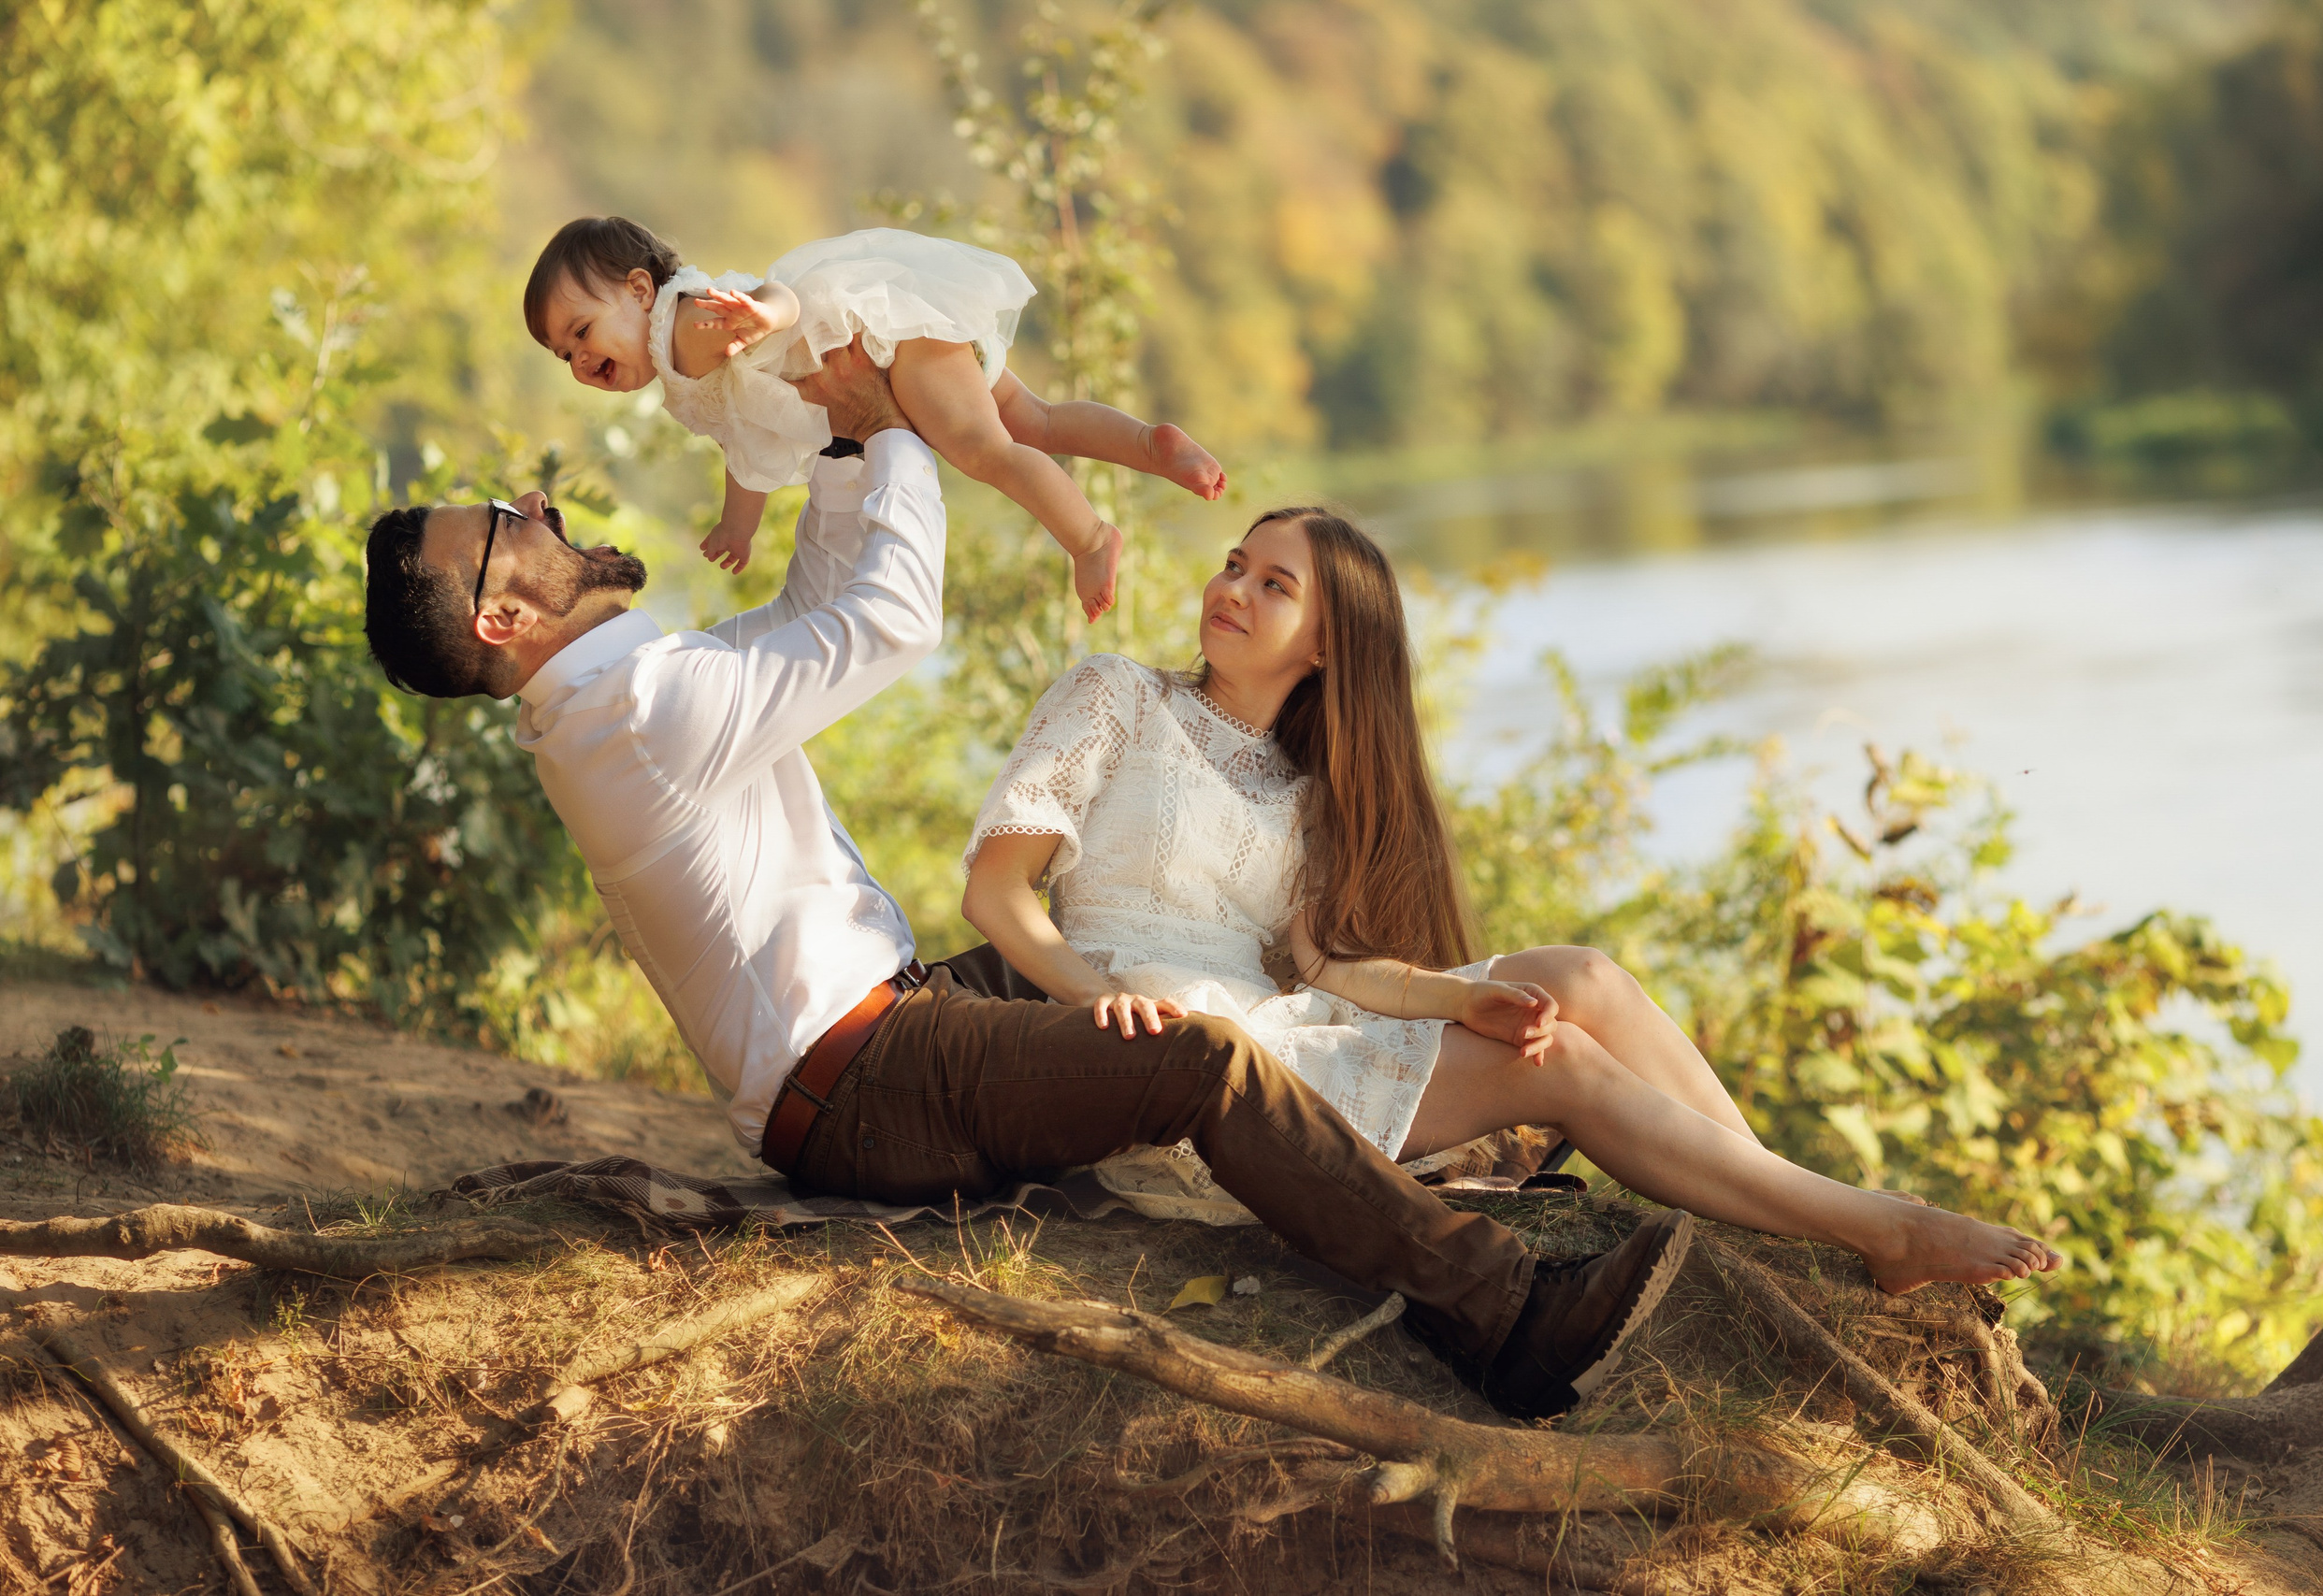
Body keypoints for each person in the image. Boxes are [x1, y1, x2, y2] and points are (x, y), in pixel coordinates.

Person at [357, 345, 1688, 1423]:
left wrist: (834, 434)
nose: (536, 509)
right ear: (499, 618)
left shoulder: (614, 692)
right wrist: (895, 428)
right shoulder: (640, 708)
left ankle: (1417, 1149)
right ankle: (1501, 1311)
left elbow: (806, 607)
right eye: (505, 526)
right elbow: (885, 621)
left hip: (896, 1021)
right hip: (864, 1081)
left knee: (1135, 960)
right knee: (1196, 1058)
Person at [961, 507, 2064, 1297]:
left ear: (1330, 644)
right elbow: (995, 896)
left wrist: (1453, 1001)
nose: (1232, 591)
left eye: (1271, 585)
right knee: (1568, 1069)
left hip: (1274, 1021)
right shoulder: (1114, 694)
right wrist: (1098, 1003)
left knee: (1578, 981)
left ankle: (1782, 1211)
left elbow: (1329, 964)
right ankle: (1882, 1229)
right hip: (1167, 1045)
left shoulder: (1302, 790)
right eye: (1236, 565)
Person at [521, 215, 1226, 618]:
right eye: (562, 355)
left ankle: (1089, 537)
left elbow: (776, 300)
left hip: (887, 350)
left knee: (982, 451)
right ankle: (1149, 443)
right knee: (1032, 422)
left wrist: (770, 313)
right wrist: (741, 522)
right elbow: (742, 439)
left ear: (638, 288)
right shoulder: (678, 349)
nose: (580, 360)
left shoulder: (679, 329)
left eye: (582, 331)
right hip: (901, 331)